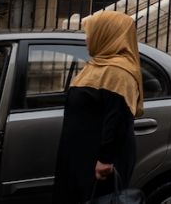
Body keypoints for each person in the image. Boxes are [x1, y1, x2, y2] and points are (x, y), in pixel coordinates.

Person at [54, 11, 144, 203]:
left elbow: (118, 119)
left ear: (107, 34)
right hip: (81, 155)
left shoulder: (119, 72)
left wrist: (105, 160)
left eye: (91, 33)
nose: (87, 39)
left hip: (99, 162)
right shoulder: (98, 64)